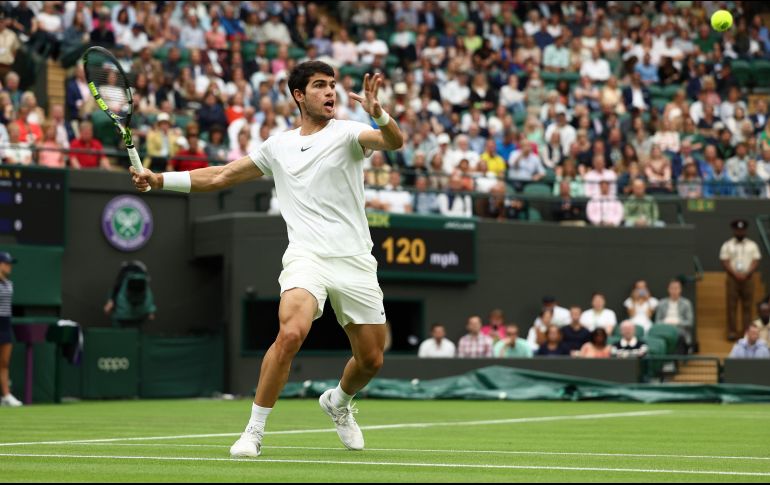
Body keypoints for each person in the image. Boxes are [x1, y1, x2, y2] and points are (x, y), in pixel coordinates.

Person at [131, 62, 404, 458]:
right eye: (319, 86)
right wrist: (160, 180)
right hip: (306, 255)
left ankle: (339, 402)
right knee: (291, 333)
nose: (330, 92)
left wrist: (379, 112)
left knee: (371, 360)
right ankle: (253, 432)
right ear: (298, 95)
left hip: (355, 258)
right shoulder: (278, 146)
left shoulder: (349, 133)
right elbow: (222, 175)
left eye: (332, 86)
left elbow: (393, 142)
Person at [720, 219, 762, 341]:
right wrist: (735, 274)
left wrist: (747, 273)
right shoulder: (727, 244)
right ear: (734, 230)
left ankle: (746, 331)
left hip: (748, 278)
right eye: (738, 229)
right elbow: (724, 260)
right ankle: (732, 331)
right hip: (732, 278)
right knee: (731, 305)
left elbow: (756, 260)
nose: (740, 231)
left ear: (745, 230)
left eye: (742, 229)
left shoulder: (752, 245)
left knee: (748, 306)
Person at [0, 251, 20, 407]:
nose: (9, 266)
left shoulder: (9, 284)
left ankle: (6, 395)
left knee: (4, 362)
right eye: (7, 263)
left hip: (6, 324)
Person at [654, 279, 694, 354]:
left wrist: (677, 322)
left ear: (680, 290)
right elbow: (657, 321)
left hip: (680, 330)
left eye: (676, 288)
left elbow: (690, 322)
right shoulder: (662, 303)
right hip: (664, 329)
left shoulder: (686, 303)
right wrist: (665, 322)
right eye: (672, 288)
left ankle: (678, 358)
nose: (674, 291)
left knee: (678, 336)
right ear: (668, 289)